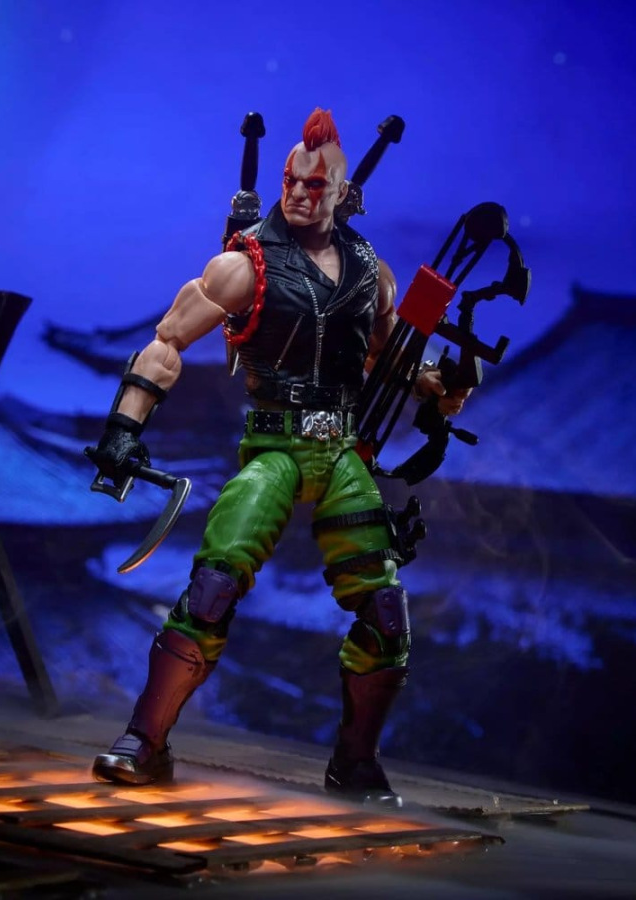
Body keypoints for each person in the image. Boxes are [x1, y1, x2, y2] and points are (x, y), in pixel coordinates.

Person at [85, 108, 469, 807]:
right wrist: (123, 428)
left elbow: (388, 354)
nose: (297, 193)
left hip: (343, 452)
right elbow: (168, 341)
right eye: (292, 180)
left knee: (386, 614)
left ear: (343, 192)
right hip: (276, 445)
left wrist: (438, 384)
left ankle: (355, 763)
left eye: (314, 186)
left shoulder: (370, 273)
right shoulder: (245, 264)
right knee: (213, 587)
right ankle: (145, 740)